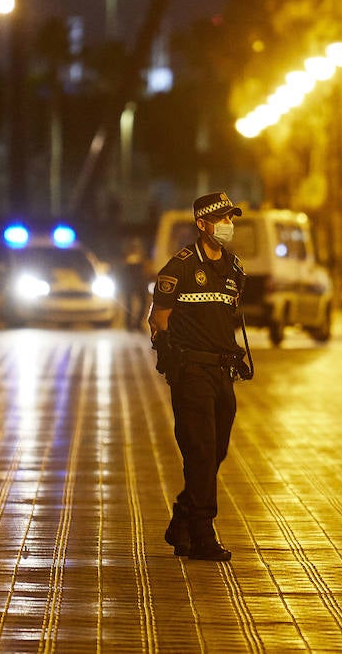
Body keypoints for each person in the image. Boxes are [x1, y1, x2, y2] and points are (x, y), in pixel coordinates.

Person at [149, 192, 249, 562]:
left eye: (231, 218)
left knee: (217, 451)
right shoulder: (180, 267)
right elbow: (158, 318)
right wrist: (170, 358)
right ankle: (203, 532)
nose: (228, 225)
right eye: (221, 219)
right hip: (191, 371)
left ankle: (183, 518)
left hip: (222, 371)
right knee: (201, 451)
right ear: (202, 224)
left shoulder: (234, 269)